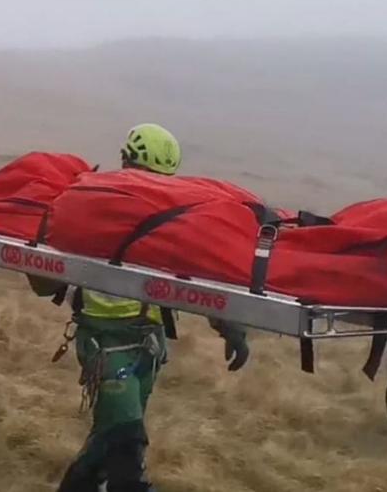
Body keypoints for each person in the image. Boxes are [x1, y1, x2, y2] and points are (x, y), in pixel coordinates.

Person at [41, 123, 250, 492]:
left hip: (147, 348)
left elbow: (193, 272)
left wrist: (228, 323)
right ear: (126, 163)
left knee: (106, 442)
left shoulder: (163, 219)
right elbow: (45, 277)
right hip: (104, 345)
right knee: (126, 449)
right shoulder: (91, 208)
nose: (151, 187)